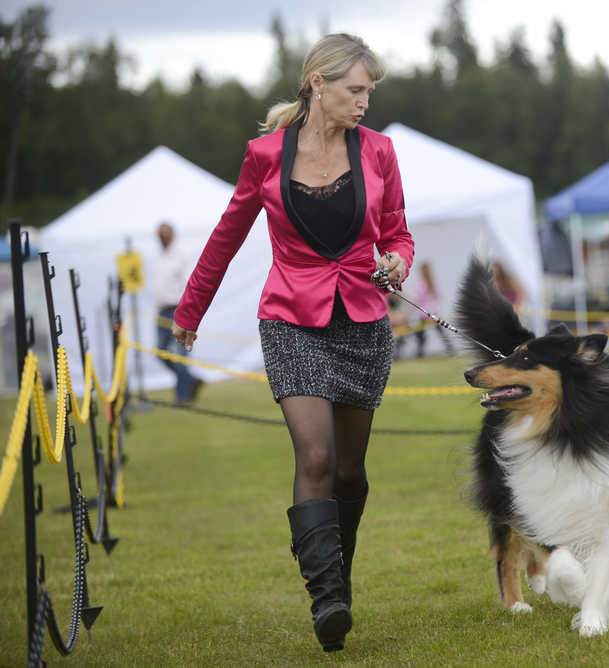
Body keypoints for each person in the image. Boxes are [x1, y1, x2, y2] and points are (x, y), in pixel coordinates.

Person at [169, 34, 413, 653]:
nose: (364, 102)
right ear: (318, 84)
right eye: (355, 90)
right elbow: (227, 236)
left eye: (369, 92)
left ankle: (339, 573)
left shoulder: (380, 152)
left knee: (351, 469)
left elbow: (398, 235)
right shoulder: (264, 156)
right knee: (315, 458)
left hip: (361, 323)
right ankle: (326, 598)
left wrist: (396, 265)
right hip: (290, 320)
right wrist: (190, 308)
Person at [152, 221, 202, 404]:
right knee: (160, 352)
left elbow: (188, 283)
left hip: (176, 309)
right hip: (162, 310)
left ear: (172, 234)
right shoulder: (160, 256)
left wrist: (185, 312)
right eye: (160, 234)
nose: (162, 237)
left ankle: (182, 396)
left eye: (165, 233)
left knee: (182, 355)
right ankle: (190, 380)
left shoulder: (182, 254)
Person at [406, 261, 454, 357]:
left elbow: (416, 299)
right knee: (438, 333)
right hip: (433, 313)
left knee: (422, 336)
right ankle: (449, 349)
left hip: (424, 314)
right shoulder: (433, 283)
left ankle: (420, 353)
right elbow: (438, 297)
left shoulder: (420, 284)